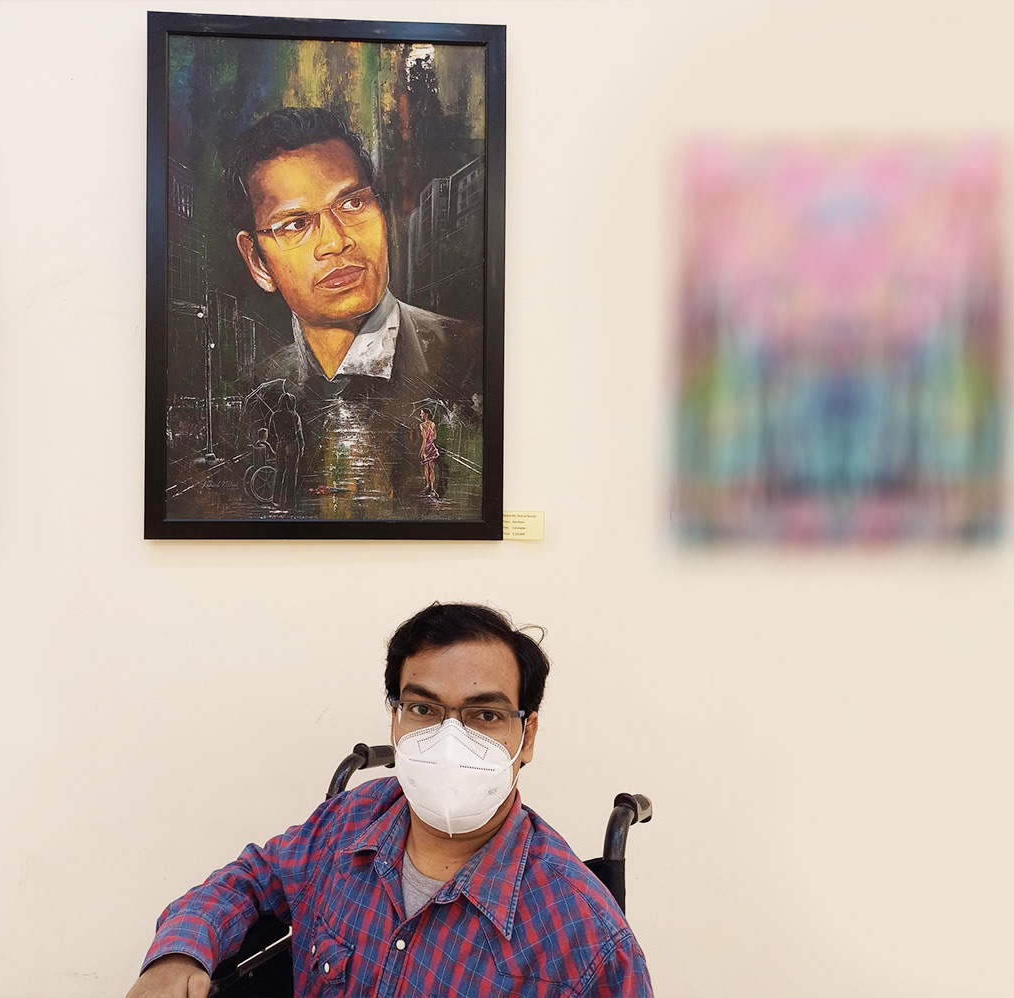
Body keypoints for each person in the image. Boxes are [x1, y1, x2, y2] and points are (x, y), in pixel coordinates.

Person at [127, 603, 653, 998]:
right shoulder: (350, 820)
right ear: (395, 720)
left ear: (527, 736)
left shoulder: (587, 940)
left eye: (485, 715)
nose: (450, 740)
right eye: (423, 709)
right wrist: (179, 954)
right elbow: (254, 877)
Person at [226, 107, 483, 517]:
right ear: (257, 262)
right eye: (295, 225)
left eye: (352, 203)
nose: (335, 242)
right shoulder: (258, 395)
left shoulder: (474, 358)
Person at [417, 407, 440, 496]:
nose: (421, 415)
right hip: (431, 446)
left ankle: (427, 485)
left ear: (426, 414)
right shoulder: (433, 424)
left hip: (426, 447)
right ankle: (432, 487)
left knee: (426, 467)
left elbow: (424, 439)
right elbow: (434, 437)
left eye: (422, 413)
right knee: (432, 468)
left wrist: (422, 451)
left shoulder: (422, 425)